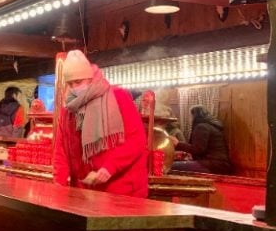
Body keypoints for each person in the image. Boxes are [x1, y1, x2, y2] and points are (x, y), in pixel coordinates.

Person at [52, 50, 148, 198]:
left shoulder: (117, 97)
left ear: (90, 78)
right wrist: (59, 184)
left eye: (78, 82)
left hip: (122, 190)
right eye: (70, 83)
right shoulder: (69, 110)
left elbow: (136, 139)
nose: (74, 88)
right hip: (85, 193)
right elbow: (61, 150)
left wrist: (110, 167)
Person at [170, 105, 233, 174]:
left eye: (191, 116)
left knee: (170, 166)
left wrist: (178, 144)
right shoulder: (210, 126)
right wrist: (187, 154)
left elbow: (198, 149)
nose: (190, 119)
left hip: (214, 165)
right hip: (220, 165)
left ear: (195, 116)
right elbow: (201, 149)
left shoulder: (202, 127)